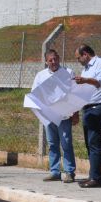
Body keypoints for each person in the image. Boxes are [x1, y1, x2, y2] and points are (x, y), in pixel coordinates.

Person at [32, 48, 77, 182]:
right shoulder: (40, 75)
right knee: (52, 144)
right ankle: (55, 171)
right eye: (50, 60)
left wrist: (75, 113)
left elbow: (75, 94)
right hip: (49, 116)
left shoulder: (68, 73)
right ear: (46, 62)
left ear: (59, 58)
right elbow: (35, 94)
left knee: (66, 143)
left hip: (64, 115)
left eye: (55, 59)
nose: (53, 62)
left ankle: (69, 172)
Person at [74, 44, 101, 188]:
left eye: (78, 57)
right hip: (88, 109)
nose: (78, 60)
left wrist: (85, 80)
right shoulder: (86, 69)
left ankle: (97, 179)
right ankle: (93, 176)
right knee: (90, 143)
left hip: (100, 107)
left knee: (94, 141)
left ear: (85, 54)